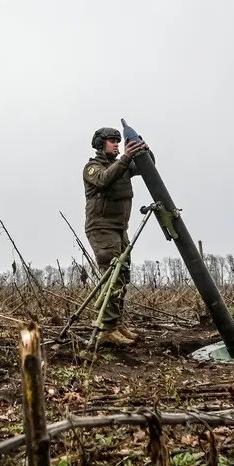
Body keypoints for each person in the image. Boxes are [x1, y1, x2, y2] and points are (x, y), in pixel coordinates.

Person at [83, 126, 148, 346]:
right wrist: (126, 158)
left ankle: (116, 323)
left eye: (118, 141)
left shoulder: (122, 165)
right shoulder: (92, 167)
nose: (116, 145)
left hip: (120, 229)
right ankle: (107, 329)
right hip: (102, 228)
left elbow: (147, 166)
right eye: (112, 141)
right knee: (112, 276)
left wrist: (144, 150)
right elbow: (104, 179)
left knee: (122, 277)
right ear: (100, 144)